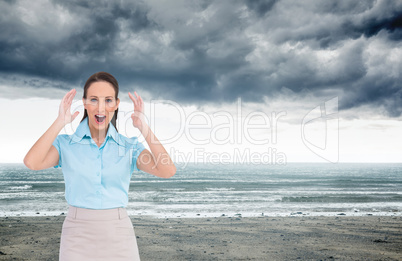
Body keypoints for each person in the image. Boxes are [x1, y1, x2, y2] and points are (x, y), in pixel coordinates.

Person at [23, 71, 176, 261]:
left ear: (116, 104)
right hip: (76, 234)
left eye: (108, 100)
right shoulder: (65, 144)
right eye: (94, 100)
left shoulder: (129, 146)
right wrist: (60, 122)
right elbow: (32, 162)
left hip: (119, 234)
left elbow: (167, 170)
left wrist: (143, 127)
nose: (101, 107)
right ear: (85, 102)